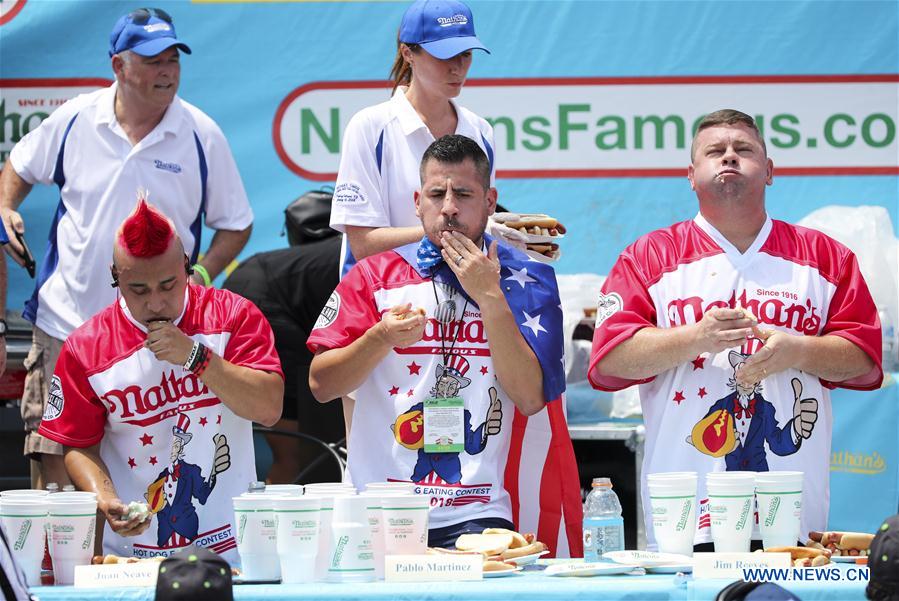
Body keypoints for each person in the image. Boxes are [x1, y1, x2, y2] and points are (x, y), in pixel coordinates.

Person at [588, 109, 883, 550]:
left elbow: (864, 358)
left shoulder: (825, 257)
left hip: (788, 514)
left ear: (769, 171)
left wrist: (798, 352)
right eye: (715, 151)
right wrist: (694, 338)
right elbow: (609, 359)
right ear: (691, 176)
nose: (729, 157)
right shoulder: (649, 256)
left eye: (743, 149)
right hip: (687, 517)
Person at [0, 7, 253, 490]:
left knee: (156, 470)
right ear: (119, 65)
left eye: (173, 59)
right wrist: (6, 206)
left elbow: (236, 226)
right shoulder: (76, 119)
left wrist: (199, 274)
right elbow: (19, 166)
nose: (167, 71)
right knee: (58, 478)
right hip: (67, 326)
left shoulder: (201, 133)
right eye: (153, 60)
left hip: (155, 334)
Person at [308, 135, 582, 555]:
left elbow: (530, 399)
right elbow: (321, 385)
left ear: (490, 201)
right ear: (418, 202)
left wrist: (489, 296)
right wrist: (380, 337)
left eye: (464, 194)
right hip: (382, 507)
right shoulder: (373, 276)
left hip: (477, 511)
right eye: (437, 194)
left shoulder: (527, 279)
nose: (449, 207)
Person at [36, 199, 282, 564]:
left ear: (186, 266)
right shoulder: (86, 348)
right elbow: (77, 446)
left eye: (168, 285)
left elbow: (268, 408)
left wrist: (196, 357)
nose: (155, 303)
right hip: (133, 558)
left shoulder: (232, 316)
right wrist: (105, 499)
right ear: (115, 276)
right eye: (138, 290)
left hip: (232, 553)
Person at [330, 0, 495, 277]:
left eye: (466, 54)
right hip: (381, 293)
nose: (458, 67)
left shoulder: (481, 131)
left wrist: (503, 235)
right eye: (445, 55)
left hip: (457, 295)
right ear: (408, 53)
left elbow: (478, 224)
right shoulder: (370, 127)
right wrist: (447, 231)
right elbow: (363, 245)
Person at [222, 235, 345, 484]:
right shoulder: (387, 248)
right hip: (266, 296)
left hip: (270, 284)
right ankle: (279, 504)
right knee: (296, 453)